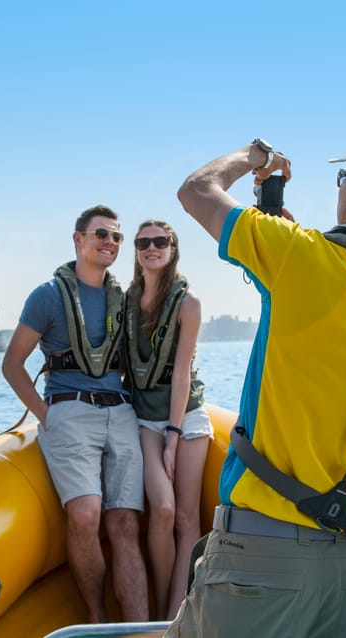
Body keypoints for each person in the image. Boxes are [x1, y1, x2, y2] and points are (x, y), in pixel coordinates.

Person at [165, 124, 346, 637]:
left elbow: (196, 190)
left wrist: (255, 156)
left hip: (259, 562)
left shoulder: (298, 258)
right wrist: (282, 229)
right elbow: (336, 301)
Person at [1, 205, 149, 624]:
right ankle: (97, 621)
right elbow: (12, 364)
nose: (110, 242)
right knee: (85, 515)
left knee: (125, 524)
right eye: (101, 234)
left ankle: (140, 630)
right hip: (70, 411)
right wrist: (46, 415)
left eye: (116, 237)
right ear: (78, 239)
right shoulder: (47, 297)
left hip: (120, 412)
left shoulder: (125, 300)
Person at [125, 220, 212, 620]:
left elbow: (181, 373)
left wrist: (174, 436)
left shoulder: (188, 304)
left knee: (185, 517)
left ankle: (174, 617)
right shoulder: (126, 301)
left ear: (173, 248)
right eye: (143, 242)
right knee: (161, 510)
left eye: (161, 241)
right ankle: (160, 610)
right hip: (146, 419)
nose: (152, 247)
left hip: (186, 417)